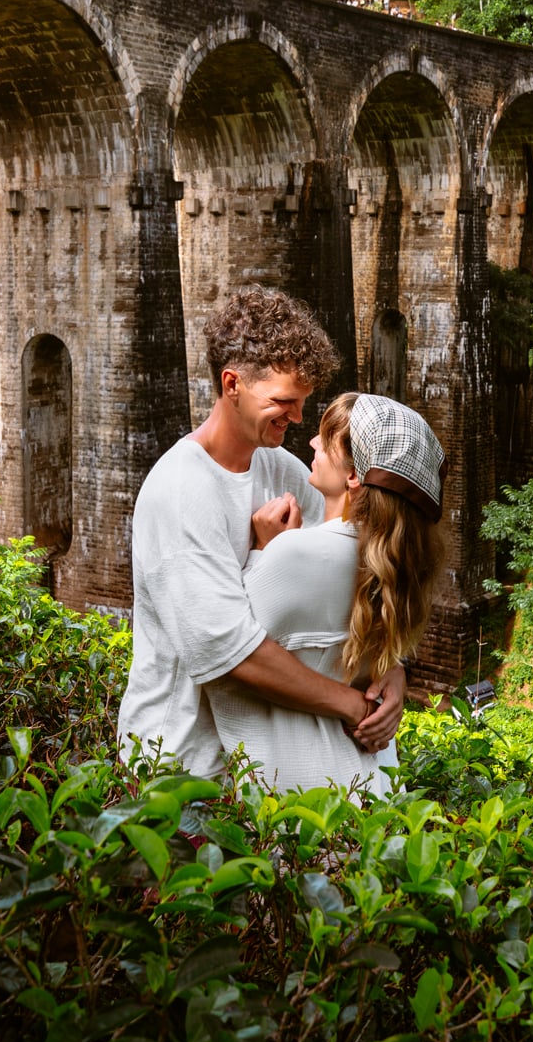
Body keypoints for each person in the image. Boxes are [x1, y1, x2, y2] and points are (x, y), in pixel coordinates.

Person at [118, 288, 406, 780]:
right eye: (284, 402)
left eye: (302, 403)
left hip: (258, 767)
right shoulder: (181, 490)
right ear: (232, 385)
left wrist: (391, 669)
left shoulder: (283, 469)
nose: (297, 419)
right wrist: (351, 705)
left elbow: (350, 574)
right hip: (181, 767)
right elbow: (228, 655)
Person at [210, 390, 445, 794]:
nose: (313, 443)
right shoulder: (397, 567)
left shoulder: (295, 552)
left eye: (326, 439)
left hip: (303, 800)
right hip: (374, 789)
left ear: (353, 475)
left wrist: (264, 551)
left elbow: (219, 646)